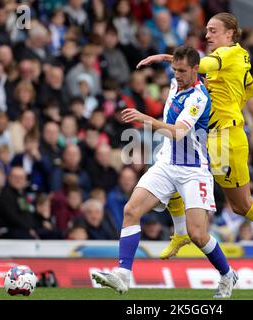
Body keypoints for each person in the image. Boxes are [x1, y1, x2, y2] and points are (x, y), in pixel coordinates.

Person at [137, 12, 253, 266]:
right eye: (207, 31)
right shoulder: (237, 58)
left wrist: (166, 58)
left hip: (226, 140)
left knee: (243, 205)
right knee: (171, 165)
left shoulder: (227, 54)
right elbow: (249, 89)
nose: (207, 35)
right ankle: (181, 232)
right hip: (209, 135)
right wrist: (226, 101)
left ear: (230, 33)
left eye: (213, 31)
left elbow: (202, 65)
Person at [91, 45, 238, 298]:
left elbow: (178, 131)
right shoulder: (178, 78)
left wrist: (142, 117)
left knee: (198, 235)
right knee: (131, 210)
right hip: (167, 163)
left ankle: (227, 275)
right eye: (174, 70)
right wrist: (162, 57)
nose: (177, 75)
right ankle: (122, 275)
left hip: (193, 170)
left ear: (195, 70)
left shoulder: (198, 97)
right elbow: (182, 62)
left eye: (182, 71)